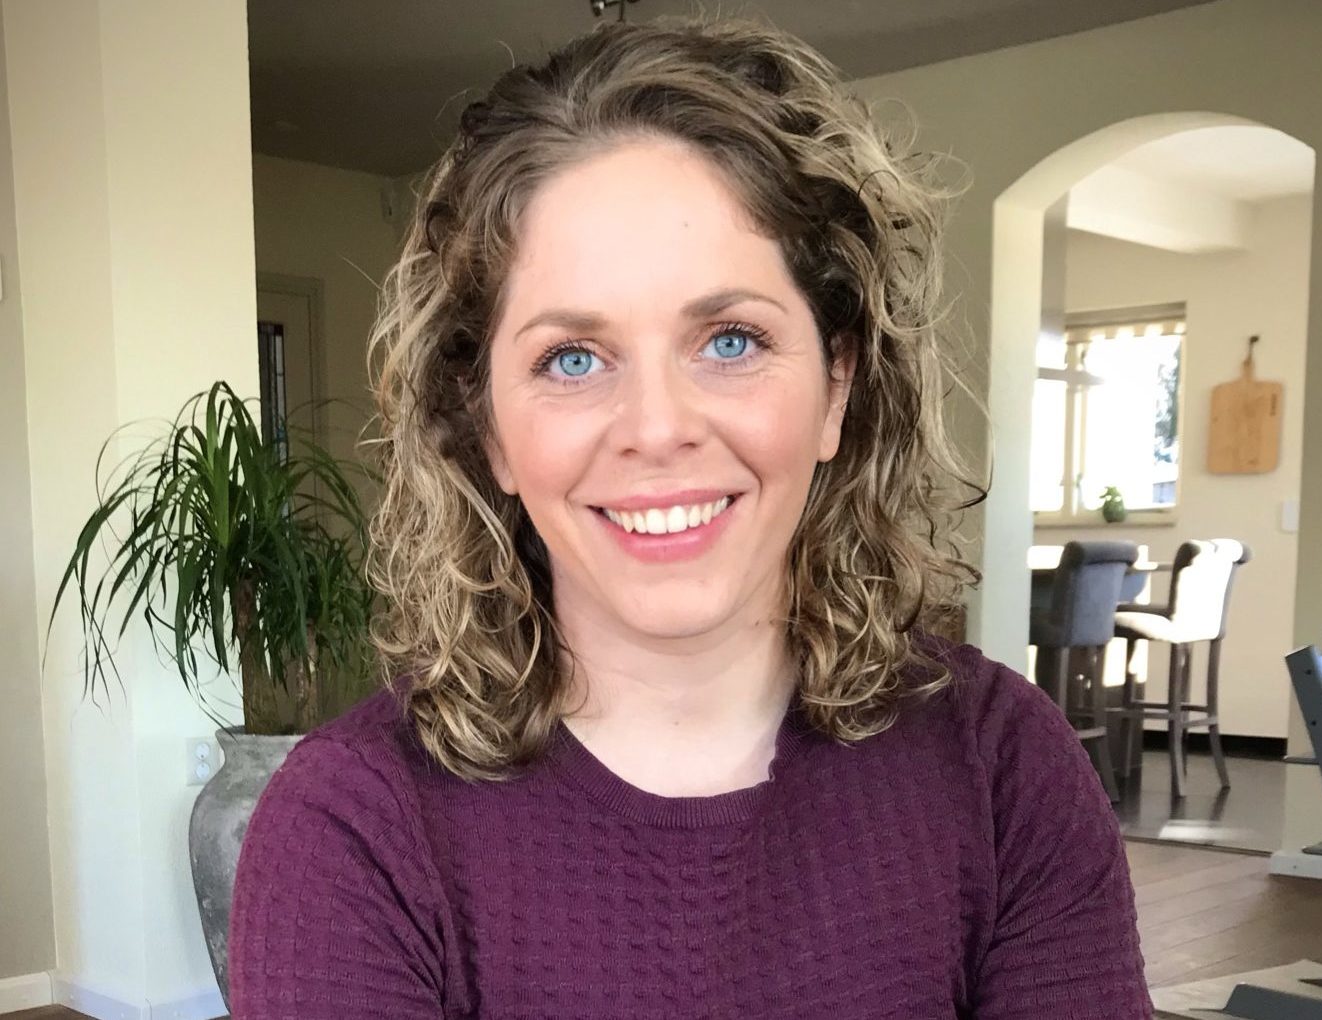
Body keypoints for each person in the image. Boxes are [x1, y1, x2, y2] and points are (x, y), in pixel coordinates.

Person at [228, 15, 1151, 1019]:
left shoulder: (1002, 769)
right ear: (486, 428)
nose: (657, 428)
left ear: (836, 385)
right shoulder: (352, 829)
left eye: (730, 340)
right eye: (571, 358)